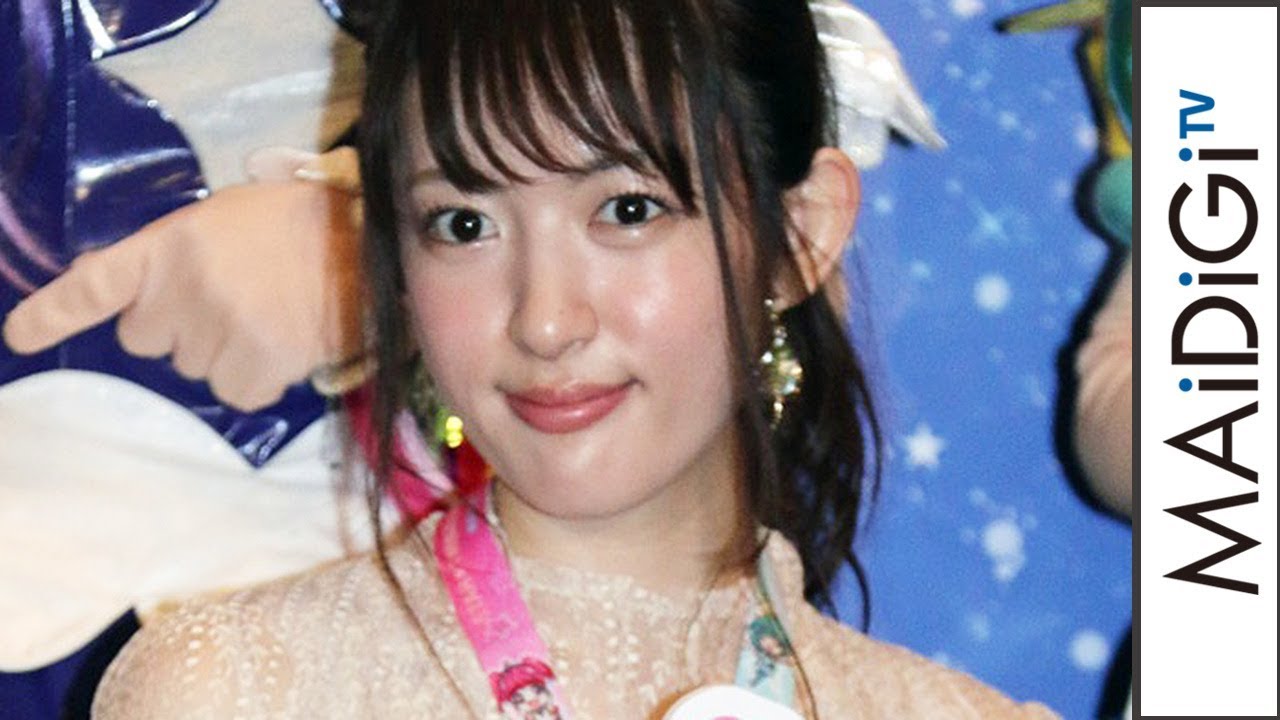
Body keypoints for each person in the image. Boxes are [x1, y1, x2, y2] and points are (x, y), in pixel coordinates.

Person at [90, 0, 1058, 717]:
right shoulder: (231, 693)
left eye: (627, 210)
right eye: (463, 224)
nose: (545, 322)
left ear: (797, 236)